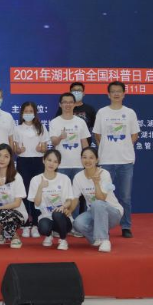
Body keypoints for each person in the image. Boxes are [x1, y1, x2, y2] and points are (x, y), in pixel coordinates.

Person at [92, 81, 140, 238]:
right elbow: (97, 134)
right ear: (108, 94)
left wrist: (123, 146)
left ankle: (126, 226)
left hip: (126, 161)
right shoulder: (102, 112)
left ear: (124, 94)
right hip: (106, 161)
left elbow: (134, 135)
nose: (116, 94)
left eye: (119, 91)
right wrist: (108, 146)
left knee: (125, 197)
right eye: (113, 91)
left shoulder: (130, 113)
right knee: (104, 196)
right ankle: (103, 226)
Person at [71, 147, 124, 253]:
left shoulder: (104, 174)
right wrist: (68, 211)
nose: (87, 160)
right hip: (94, 212)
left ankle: (104, 240)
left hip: (113, 212)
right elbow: (75, 199)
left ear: (97, 160)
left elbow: (101, 198)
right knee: (78, 223)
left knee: (97, 204)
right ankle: (96, 239)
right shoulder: (78, 177)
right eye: (84, 157)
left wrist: (96, 183)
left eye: (91, 158)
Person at [50, 92, 91, 220]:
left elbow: (85, 143)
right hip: (61, 165)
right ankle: (63, 222)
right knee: (63, 195)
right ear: (60, 104)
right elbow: (53, 142)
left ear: (74, 104)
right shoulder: (55, 122)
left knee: (75, 196)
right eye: (65, 102)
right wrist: (60, 137)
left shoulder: (80, 122)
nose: (67, 105)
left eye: (70, 102)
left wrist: (87, 162)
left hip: (78, 164)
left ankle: (74, 222)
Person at [11, 101, 49, 238]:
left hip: (38, 161)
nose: (28, 114)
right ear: (22, 113)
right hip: (23, 162)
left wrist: (41, 149)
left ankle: (36, 224)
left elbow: (45, 147)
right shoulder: (17, 129)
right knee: (26, 192)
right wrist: (18, 150)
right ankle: (26, 223)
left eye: (30, 111)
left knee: (36, 191)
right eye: (26, 111)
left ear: (35, 113)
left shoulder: (41, 127)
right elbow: (15, 149)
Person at [28, 149, 74, 250]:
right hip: (46, 217)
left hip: (63, 218)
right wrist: (40, 187)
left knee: (57, 214)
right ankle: (49, 236)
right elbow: (37, 203)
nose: (51, 164)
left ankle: (63, 239)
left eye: (55, 161)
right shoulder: (36, 180)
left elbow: (69, 200)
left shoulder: (64, 179)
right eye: (49, 160)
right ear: (43, 160)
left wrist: (63, 206)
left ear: (58, 164)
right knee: (43, 227)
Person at [0, 143, 27, 248]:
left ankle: (14, 236)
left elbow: (17, 203)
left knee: (4, 213)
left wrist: (0, 208)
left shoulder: (16, 176)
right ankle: (3, 232)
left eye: (6, 156)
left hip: (17, 213)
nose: (2, 159)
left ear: (10, 159)